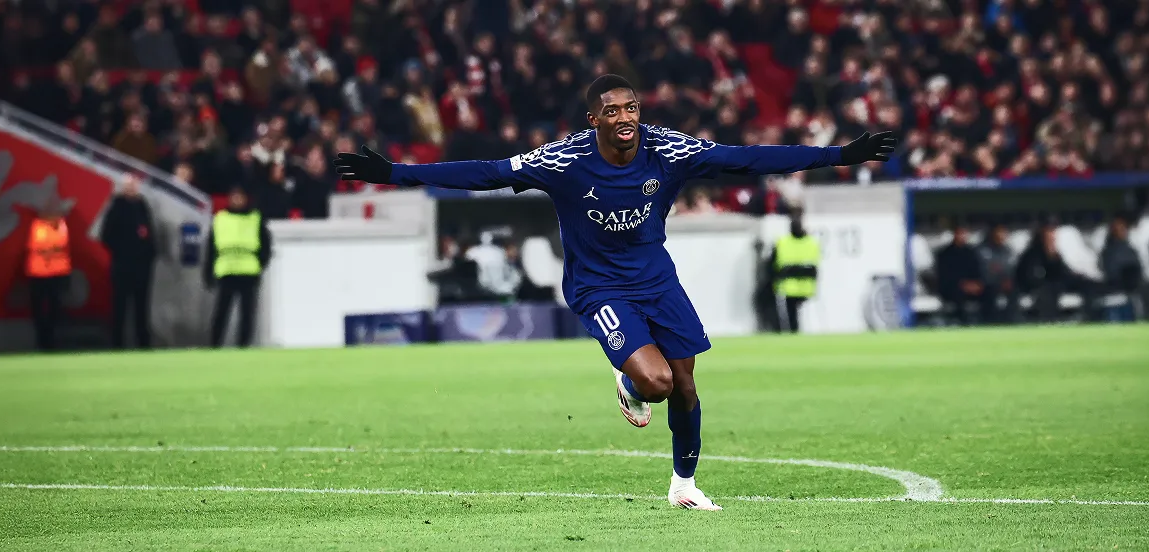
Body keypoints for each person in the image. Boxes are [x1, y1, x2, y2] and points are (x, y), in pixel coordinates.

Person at [335, 74, 895, 510]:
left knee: (686, 385)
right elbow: (485, 171)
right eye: (613, 112)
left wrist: (838, 156)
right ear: (594, 119)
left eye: (631, 109)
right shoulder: (563, 160)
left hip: (657, 279)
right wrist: (396, 173)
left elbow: (746, 157)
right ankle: (627, 380)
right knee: (655, 382)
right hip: (597, 286)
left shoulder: (667, 150)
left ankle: (683, 484)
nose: (625, 119)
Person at [203, 187, 273, 348]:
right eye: (234, 197)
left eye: (239, 197)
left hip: (249, 271)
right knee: (221, 312)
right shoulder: (220, 218)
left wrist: (261, 263)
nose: (237, 200)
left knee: (247, 313)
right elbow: (211, 248)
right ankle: (215, 344)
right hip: (226, 271)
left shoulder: (255, 218)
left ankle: (243, 345)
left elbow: (266, 244)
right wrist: (208, 272)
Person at [102, 175, 157, 348]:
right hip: (122, 266)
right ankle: (117, 345)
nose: (131, 189)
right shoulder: (116, 207)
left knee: (142, 308)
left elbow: (149, 232)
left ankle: (143, 345)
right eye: (128, 186)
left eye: (134, 185)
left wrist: (149, 254)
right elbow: (106, 236)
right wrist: (122, 252)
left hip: (142, 267)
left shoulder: (142, 206)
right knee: (120, 308)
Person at [24, 201, 72, 351]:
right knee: (38, 310)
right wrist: (53, 249)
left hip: (58, 274)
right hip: (39, 274)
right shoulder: (38, 226)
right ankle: (41, 341)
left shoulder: (62, 226)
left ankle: (50, 341)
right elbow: (41, 246)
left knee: (55, 310)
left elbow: (62, 244)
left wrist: (52, 249)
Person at [770, 216, 820, 333]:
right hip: (807, 287)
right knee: (795, 312)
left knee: (789, 312)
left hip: (788, 288)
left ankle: (790, 331)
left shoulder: (782, 243)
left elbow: (773, 266)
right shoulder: (811, 243)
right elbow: (814, 267)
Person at [935, 224, 985, 326]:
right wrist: (962, 284)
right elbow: (945, 275)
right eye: (959, 234)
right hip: (951, 287)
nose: (962, 236)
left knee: (989, 290)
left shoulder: (971, 252)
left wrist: (977, 283)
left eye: (964, 234)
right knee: (958, 293)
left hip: (972, 286)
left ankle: (989, 320)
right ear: (954, 235)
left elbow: (978, 271)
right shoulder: (945, 254)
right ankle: (961, 320)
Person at [1098, 216, 1144, 322]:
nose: (1123, 232)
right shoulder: (1109, 252)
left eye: (1124, 228)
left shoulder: (1129, 249)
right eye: (1119, 229)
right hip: (1117, 291)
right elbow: (1111, 273)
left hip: (1132, 292)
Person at [977, 223, 1017, 324]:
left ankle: (1012, 322)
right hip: (987, 285)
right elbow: (982, 271)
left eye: (1003, 232)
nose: (1000, 235)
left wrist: (1008, 280)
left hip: (1005, 285)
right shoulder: (982, 250)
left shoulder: (1007, 251)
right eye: (998, 232)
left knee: (1015, 291)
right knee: (991, 295)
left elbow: (1010, 270)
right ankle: (990, 323)